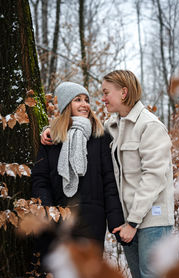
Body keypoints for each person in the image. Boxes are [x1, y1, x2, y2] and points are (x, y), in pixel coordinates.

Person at [101, 70, 174, 278]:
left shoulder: (150, 126)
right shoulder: (112, 126)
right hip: (127, 221)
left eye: (106, 93)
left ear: (123, 92)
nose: (102, 98)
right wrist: (49, 131)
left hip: (152, 220)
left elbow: (153, 177)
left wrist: (133, 222)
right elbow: (82, 129)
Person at [32, 81, 125, 251]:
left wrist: (116, 221)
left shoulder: (100, 137)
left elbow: (110, 182)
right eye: (78, 100)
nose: (85, 105)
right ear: (67, 105)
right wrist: (49, 213)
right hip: (59, 218)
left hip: (92, 219)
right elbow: (40, 180)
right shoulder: (52, 139)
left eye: (86, 100)